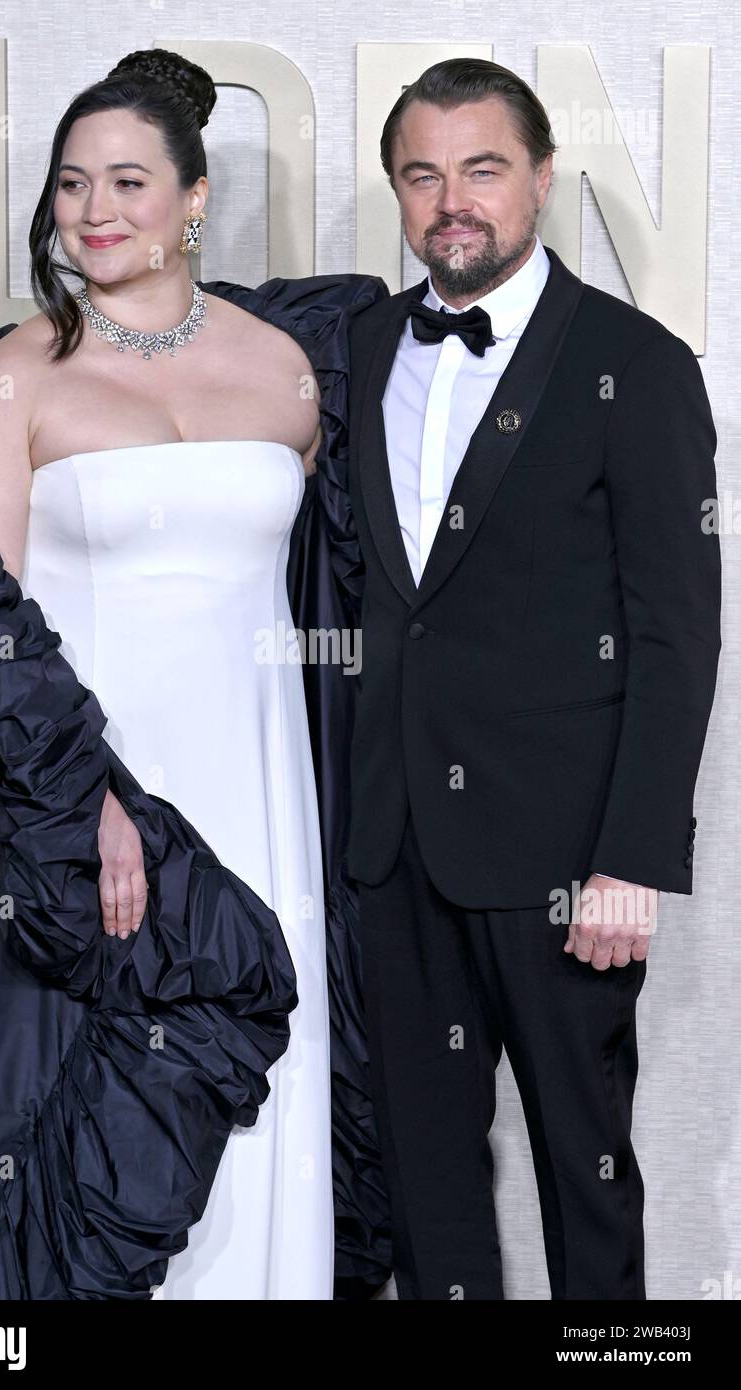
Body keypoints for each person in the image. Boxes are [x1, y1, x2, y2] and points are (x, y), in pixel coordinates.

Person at [0, 48, 391, 1300]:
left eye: (127, 183)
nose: (94, 213)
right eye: (69, 186)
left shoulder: (295, 364)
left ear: (195, 199)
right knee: (87, 1110)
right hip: (91, 799)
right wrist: (85, 800)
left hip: (261, 790)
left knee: (266, 1090)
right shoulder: (14, 374)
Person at [343, 57, 721, 1299]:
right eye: (423, 173)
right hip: (394, 849)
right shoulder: (356, 353)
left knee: (585, 1175)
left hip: (567, 862)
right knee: (426, 1189)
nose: (452, 200)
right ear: (399, 192)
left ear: (542, 180)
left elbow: (676, 633)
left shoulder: (636, 363)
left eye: (483, 168)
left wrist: (632, 858)